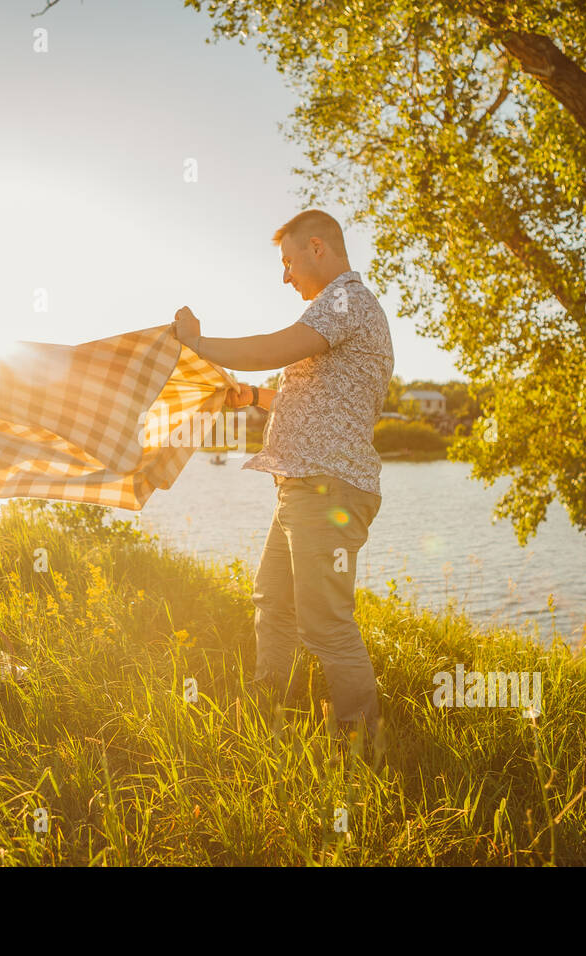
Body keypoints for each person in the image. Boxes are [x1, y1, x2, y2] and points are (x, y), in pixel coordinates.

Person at [172, 209, 394, 739]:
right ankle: (271, 709)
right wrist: (250, 396)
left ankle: (360, 744)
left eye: (288, 261)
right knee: (273, 602)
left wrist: (198, 345)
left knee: (325, 624)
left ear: (318, 247)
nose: (285, 275)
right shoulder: (337, 311)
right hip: (302, 486)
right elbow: (310, 397)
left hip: (327, 487)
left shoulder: (346, 300)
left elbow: (272, 347)